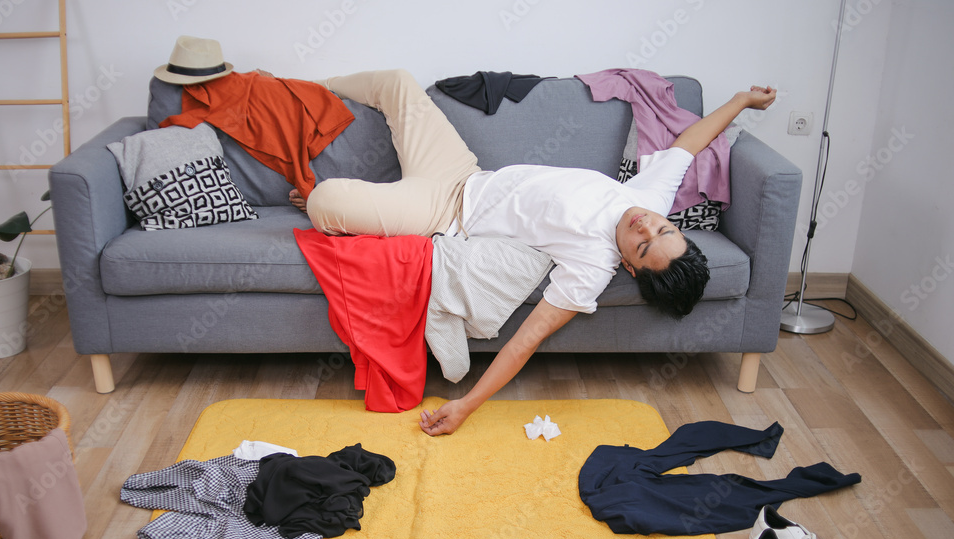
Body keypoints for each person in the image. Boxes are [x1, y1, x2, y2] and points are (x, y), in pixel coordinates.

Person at [289, 70, 776, 436]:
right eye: (662, 226)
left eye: (645, 243)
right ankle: (303, 87)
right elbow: (691, 143)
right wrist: (742, 100)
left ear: (629, 265)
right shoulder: (650, 201)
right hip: (463, 172)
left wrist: (467, 406)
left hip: (443, 213)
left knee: (323, 201)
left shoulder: (590, 268)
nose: (645, 224)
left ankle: (347, 207)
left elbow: (526, 341)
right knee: (396, 83)